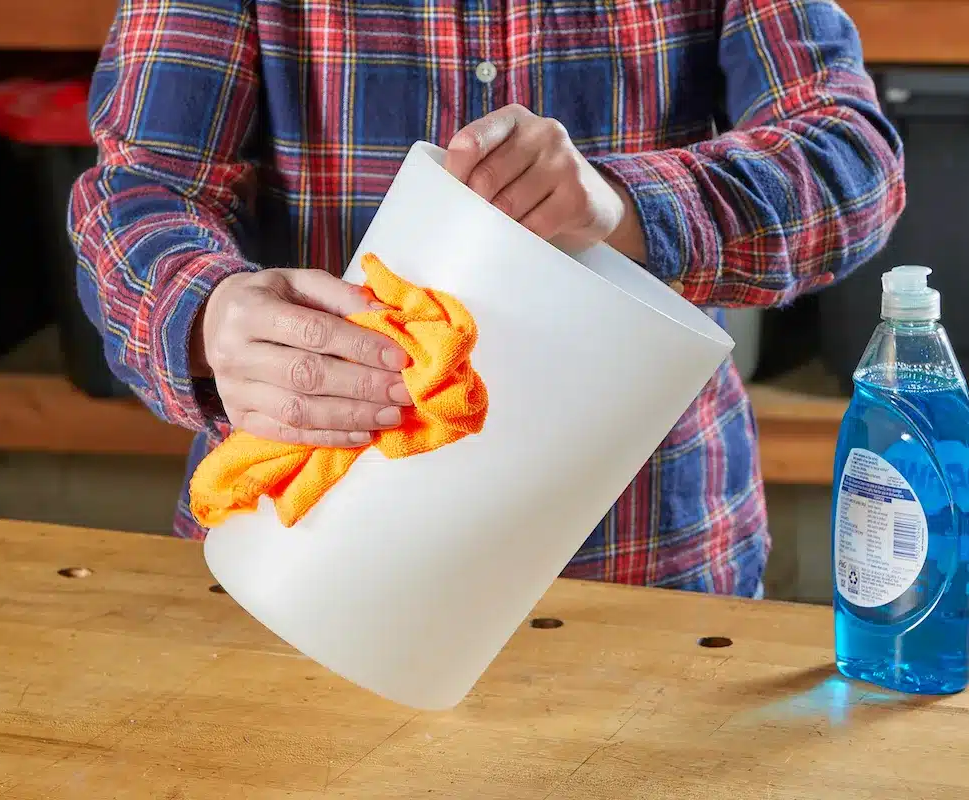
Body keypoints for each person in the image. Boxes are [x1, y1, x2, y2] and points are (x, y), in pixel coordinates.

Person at [69, 0, 905, 597]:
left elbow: (852, 160)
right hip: (308, 554)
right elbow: (141, 189)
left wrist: (623, 207)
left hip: (644, 552)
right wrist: (208, 315)